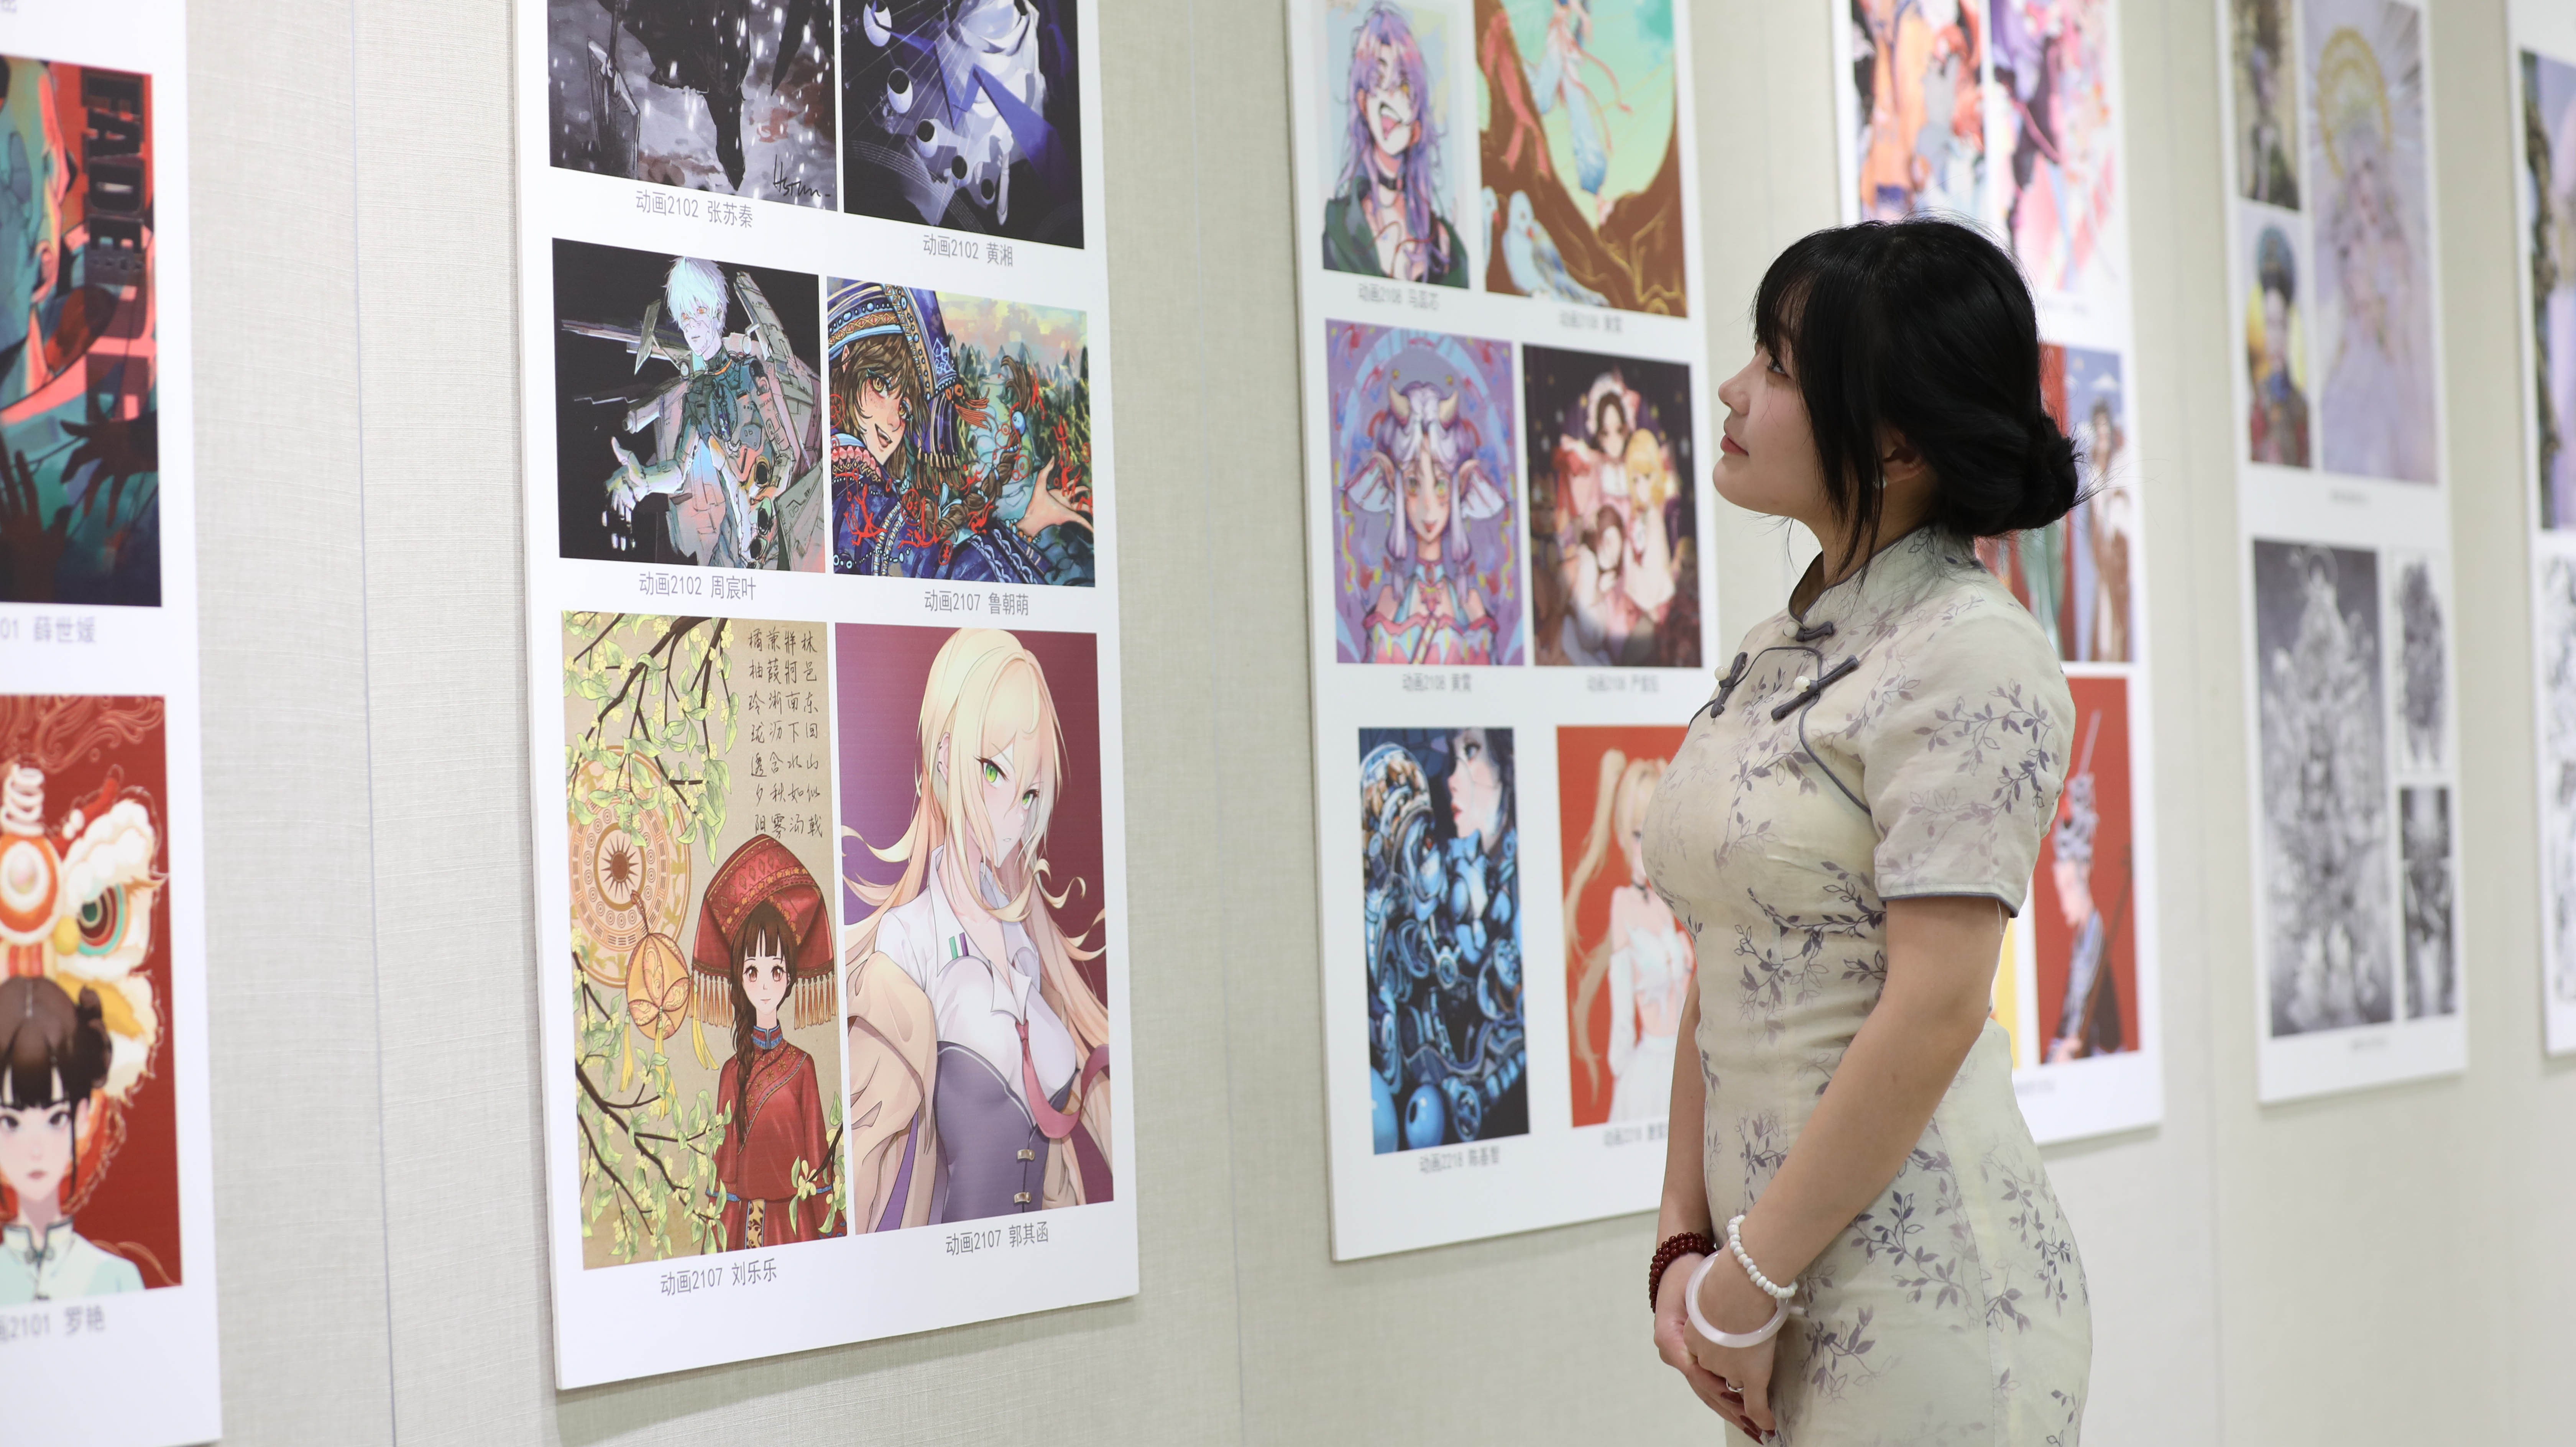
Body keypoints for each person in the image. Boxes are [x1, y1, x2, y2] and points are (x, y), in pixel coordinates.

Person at [1646, 218, 2090, 1443]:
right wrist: (1684, 1243)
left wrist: (1744, 1283)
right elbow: (1724, 945)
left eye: (1779, 368)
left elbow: (1937, 1003)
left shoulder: (1973, 650)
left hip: (1924, 1298)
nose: (1734, 389)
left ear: (1895, 443)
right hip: (1767, 1284)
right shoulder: (1779, 647)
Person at [842, 629, 1111, 1230]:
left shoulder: (1023, 948)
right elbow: (866, 1167)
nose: (1013, 819)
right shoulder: (909, 943)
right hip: (954, 1264)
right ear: (945, 757)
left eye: (1030, 794)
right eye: (993, 771)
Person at [692, 833, 841, 1249]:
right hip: (749, 1226)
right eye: (752, 971)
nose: (763, 985)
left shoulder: (804, 1067)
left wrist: (831, 1227)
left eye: (775, 971)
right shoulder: (731, 1073)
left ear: (789, 977)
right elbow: (724, 1169)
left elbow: (817, 1159)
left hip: (796, 1224)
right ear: (740, 976)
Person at [1565, 750, 1692, 1123]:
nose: (1647, 846)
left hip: (1685, 1062)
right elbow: (1622, 996)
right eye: (1639, 834)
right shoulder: (1622, 903)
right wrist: (1621, 1064)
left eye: (1655, 832)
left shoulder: (1666, 904)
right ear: (1623, 837)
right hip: (1649, 1073)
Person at [0, 976, 145, 1303]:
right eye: (11, 1122)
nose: (35, 1150)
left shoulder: (119, 1281)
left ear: (81, 1117)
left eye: (55, 1119)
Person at [1321, 4, 1466, 286]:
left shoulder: (1445, 243)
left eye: (1403, 85)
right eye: (1377, 79)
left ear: (1418, 126)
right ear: (1363, 103)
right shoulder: (1341, 229)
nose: (1389, 95)